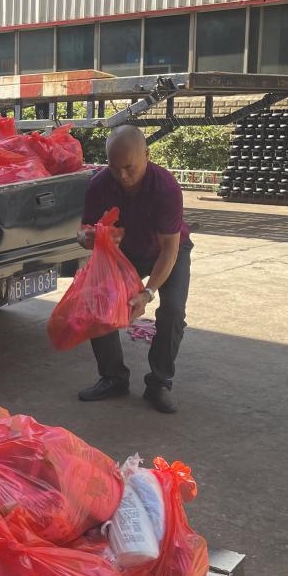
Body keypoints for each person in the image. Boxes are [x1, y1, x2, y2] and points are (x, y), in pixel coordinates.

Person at [76, 125, 192, 414]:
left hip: (167, 252)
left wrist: (147, 293)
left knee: (172, 311)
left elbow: (169, 250)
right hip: (124, 254)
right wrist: (85, 238)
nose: (123, 176)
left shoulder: (165, 188)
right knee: (97, 302)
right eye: (115, 168)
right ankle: (113, 378)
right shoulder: (99, 185)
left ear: (147, 155)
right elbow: (84, 231)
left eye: (130, 167)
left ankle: (159, 383)